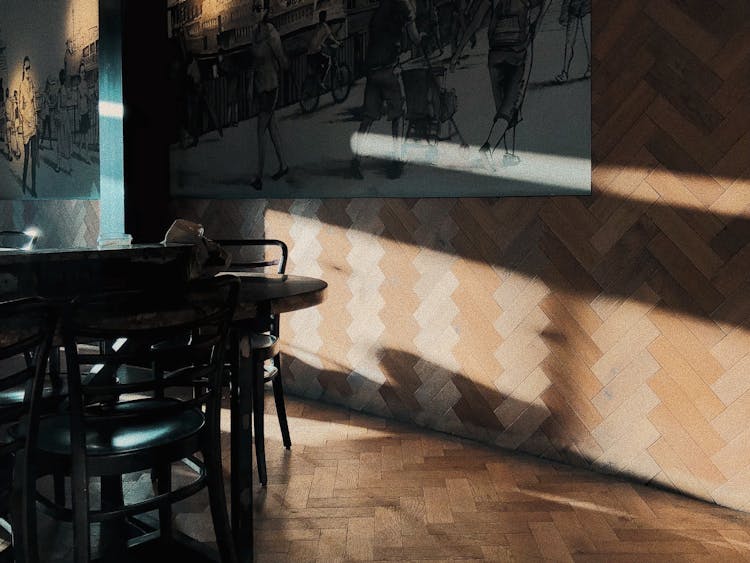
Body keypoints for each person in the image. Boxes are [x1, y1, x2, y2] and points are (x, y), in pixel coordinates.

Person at [450, 0, 546, 165]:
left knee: (502, 107)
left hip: (495, 57)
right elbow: (540, 10)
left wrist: (456, 55)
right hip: (516, 56)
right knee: (508, 108)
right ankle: (487, 149)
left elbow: (475, 24)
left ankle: (508, 154)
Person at [350, 0, 422, 180]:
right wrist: (421, 37)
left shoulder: (380, 8)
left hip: (372, 70)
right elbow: (414, 37)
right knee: (398, 114)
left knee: (368, 117)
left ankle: (356, 160)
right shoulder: (403, 4)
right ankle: (396, 161)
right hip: (388, 69)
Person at [248, 1, 289, 191]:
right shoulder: (254, 33)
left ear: (265, 11)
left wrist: (285, 72)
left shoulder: (271, 33)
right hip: (260, 87)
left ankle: (259, 177)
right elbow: (254, 64)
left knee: (260, 132)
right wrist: (250, 86)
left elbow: (281, 59)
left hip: (271, 87)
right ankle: (283, 166)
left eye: (259, 8)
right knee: (272, 128)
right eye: (254, 8)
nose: (255, 12)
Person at [555, 0, 591, 83]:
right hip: (574, 11)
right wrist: (563, 15)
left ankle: (590, 67)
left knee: (588, 41)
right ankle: (564, 72)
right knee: (569, 44)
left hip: (587, 9)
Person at [20, 56, 39, 197]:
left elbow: (34, 104)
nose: (28, 70)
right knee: (26, 158)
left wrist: (36, 121)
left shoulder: (31, 83)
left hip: (34, 125)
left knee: (34, 157)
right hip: (27, 125)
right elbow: (21, 108)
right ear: (23, 68)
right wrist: (27, 120)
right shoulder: (21, 85)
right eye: (26, 68)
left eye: (29, 68)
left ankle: (33, 187)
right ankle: (23, 183)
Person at [307, 10, 341, 86]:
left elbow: (317, 39)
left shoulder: (317, 26)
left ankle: (316, 78)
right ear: (325, 17)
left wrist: (323, 45)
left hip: (310, 51)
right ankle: (321, 81)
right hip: (315, 51)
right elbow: (331, 37)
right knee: (328, 61)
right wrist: (338, 43)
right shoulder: (325, 27)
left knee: (321, 61)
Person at [55, 68, 73, 175]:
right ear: (64, 79)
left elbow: (58, 105)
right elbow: (63, 104)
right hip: (63, 116)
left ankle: (59, 165)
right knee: (65, 141)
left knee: (61, 141)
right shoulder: (63, 90)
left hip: (62, 116)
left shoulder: (61, 90)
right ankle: (66, 166)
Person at [76, 62, 91, 163]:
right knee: (84, 135)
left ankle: (81, 151)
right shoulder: (79, 86)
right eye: (81, 72)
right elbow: (78, 101)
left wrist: (88, 95)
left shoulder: (85, 84)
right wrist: (78, 115)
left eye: (84, 72)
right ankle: (86, 156)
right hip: (81, 113)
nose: (83, 74)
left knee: (84, 134)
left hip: (86, 111)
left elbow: (88, 97)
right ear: (79, 73)